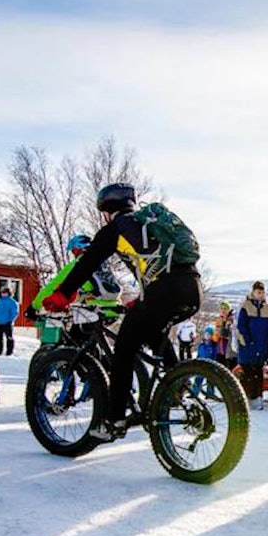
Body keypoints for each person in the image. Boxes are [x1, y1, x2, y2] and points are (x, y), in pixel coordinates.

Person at [41, 182, 202, 440]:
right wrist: (139, 300)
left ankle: (114, 421)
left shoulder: (117, 228)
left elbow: (86, 264)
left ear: (106, 211)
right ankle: (178, 386)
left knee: (123, 351)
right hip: (192, 288)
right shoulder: (147, 225)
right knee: (153, 332)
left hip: (165, 290)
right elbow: (157, 269)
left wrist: (62, 294)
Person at [236, 281, 268, 410]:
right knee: (247, 373)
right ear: (253, 292)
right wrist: (248, 341)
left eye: (262, 292)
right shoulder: (246, 307)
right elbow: (241, 326)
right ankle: (245, 399)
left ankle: (257, 398)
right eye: (258, 292)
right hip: (248, 346)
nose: (261, 294)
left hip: (262, 346)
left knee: (258, 373)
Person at [0, 287, 20, 355]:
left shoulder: (12, 302)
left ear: (9, 293)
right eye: (2, 292)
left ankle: (9, 352)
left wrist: (10, 321)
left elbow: (14, 313)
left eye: (5, 292)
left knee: (9, 338)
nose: (3, 294)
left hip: (7, 323)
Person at [214, 301, 234, 369]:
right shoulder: (219, 319)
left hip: (229, 349)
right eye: (221, 308)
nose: (223, 310)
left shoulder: (231, 319)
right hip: (220, 348)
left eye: (225, 308)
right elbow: (216, 334)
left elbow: (227, 334)